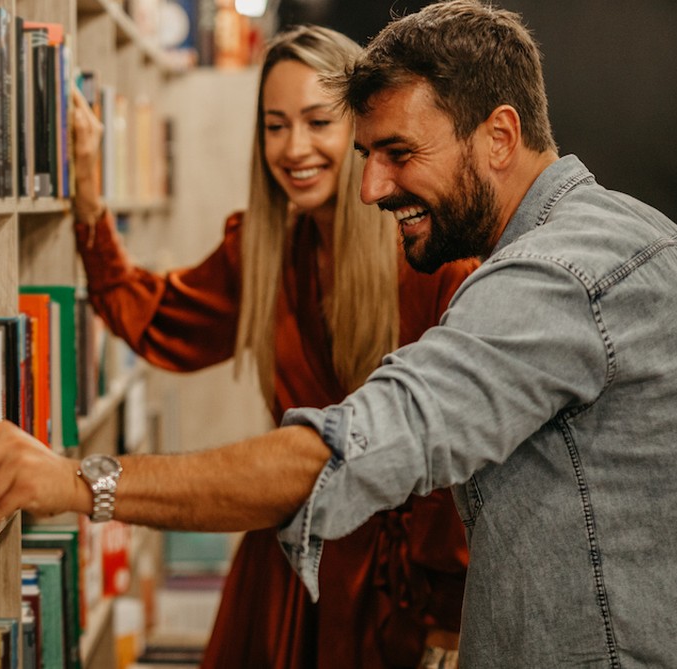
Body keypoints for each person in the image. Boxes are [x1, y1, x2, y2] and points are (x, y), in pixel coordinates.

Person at [0, 2, 677, 666]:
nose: (370, 185)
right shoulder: (649, 237)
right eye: (363, 151)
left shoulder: (547, 280)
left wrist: (79, 483)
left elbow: (352, 447)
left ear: (500, 135)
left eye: (397, 152)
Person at [66, 25, 476, 669]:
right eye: (274, 125)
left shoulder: (432, 258)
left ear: (362, 131)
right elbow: (157, 318)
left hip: (400, 594)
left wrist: (447, 617)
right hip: (286, 567)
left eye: (319, 122)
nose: (294, 148)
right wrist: (88, 202)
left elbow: (458, 462)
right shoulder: (262, 250)